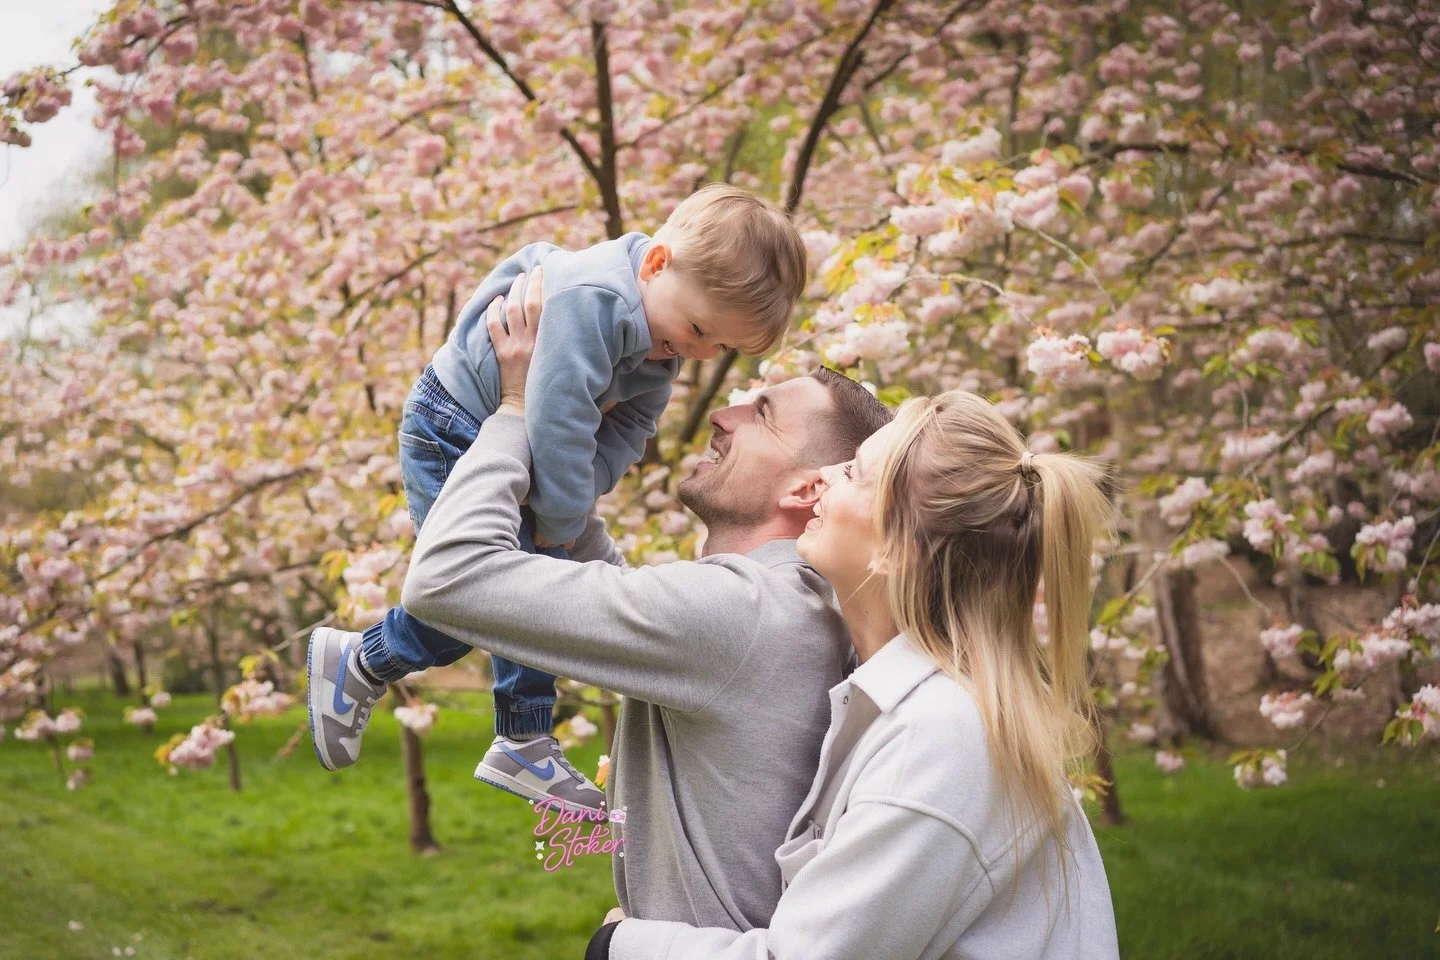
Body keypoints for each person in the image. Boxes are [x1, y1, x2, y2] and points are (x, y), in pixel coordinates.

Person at [306, 183, 809, 814]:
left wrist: (570, 503)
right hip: (455, 424)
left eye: (721, 348)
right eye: (699, 330)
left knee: (512, 594)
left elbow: (629, 429)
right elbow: (560, 421)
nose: (697, 354)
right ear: (655, 265)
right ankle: (474, 709)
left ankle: (491, 718)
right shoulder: (593, 301)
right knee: (493, 593)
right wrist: (561, 518)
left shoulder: (662, 337)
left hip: (510, 438)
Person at [587, 390, 1122, 959]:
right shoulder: (900, 707)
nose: (824, 479)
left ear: (895, 548)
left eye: (854, 473)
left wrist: (621, 945)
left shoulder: (941, 738)